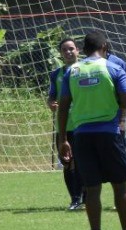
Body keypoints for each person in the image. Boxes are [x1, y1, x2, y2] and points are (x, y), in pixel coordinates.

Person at [58, 31, 126, 230]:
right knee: (120, 186)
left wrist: (63, 139)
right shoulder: (114, 68)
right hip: (109, 134)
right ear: (105, 48)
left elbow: (63, 106)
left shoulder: (72, 72)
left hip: (82, 136)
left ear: (83, 50)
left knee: (92, 189)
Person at [47, 38, 84, 210]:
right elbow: (52, 96)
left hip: (83, 125)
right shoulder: (56, 74)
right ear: (61, 54)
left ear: (78, 50)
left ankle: (85, 196)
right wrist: (51, 103)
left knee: (83, 163)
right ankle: (75, 199)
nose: (68, 52)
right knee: (67, 162)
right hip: (64, 126)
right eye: (64, 50)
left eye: (71, 49)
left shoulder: (86, 70)